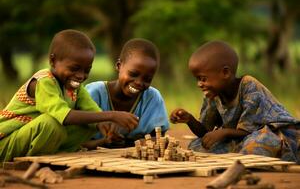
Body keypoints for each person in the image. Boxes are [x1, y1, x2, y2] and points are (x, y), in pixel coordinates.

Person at [0, 29, 138, 162]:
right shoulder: (43, 81)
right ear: (53, 61)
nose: (80, 76)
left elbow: (94, 113)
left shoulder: (75, 87)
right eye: (74, 68)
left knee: (90, 124)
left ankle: (56, 154)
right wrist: (112, 115)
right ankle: (38, 160)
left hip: (28, 139)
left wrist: (106, 128)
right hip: (6, 142)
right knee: (52, 123)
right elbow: (65, 116)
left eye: (86, 70)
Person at [170, 40, 300, 163]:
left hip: (275, 135)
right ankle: (240, 157)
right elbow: (206, 133)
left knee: (257, 144)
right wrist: (189, 120)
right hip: (241, 139)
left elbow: (251, 130)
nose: (199, 84)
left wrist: (223, 132)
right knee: (196, 145)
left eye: (203, 79)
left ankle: (246, 157)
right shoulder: (213, 94)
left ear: (225, 73)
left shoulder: (249, 86)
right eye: (197, 79)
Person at [85, 38, 169, 148]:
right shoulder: (94, 93)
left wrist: (128, 143)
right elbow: (76, 141)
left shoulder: (152, 98)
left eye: (147, 79)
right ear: (119, 66)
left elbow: (159, 139)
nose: (139, 82)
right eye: (133, 74)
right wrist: (104, 142)